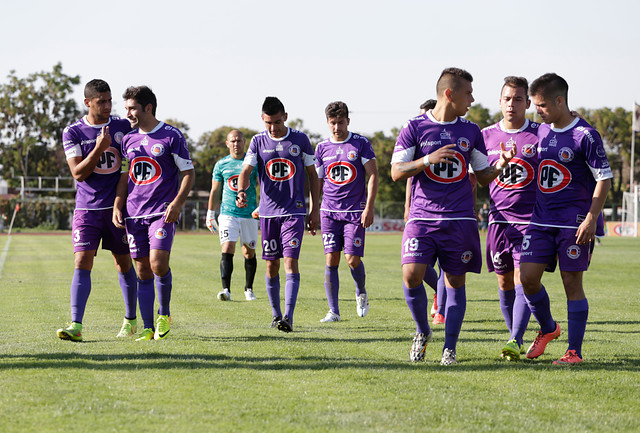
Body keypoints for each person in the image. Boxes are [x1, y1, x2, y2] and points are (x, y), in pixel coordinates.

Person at [391, 67, 516, 365]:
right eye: (468, 93)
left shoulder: (470, 131)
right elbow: (396, 172)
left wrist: (502, 164)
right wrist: (426, 160)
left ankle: (450, 348)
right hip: (422, 218)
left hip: (459, 220)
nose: (472, 99)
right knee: (411, 276)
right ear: (450, 94)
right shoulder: (414, 127)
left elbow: (483, 176)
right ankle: (423, 332)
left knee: (455, 282)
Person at [520, 73, 612, 364]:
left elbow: (604, 179)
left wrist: (590, 219)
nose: (538, 111)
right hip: (540, 221)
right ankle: (549, 329)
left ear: (560, 101)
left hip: (573, 225)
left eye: (542, 105)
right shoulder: (542, 131)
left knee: (571, 283)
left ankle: (574, 351)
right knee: (528, 279)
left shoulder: (586, 135)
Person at [57, 79, 138, 342]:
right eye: (101, 101)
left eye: (109, 100)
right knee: (81, 261)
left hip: (117, 208)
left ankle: (130, 321)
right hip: (87, 209)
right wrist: (99, 148)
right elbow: (78, 173)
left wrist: (120, 202)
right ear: (87, 102)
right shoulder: (73, 132)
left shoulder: (121, 127)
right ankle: (76, 325)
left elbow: (126, 169)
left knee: (123, 263)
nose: (107, 105)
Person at [113, 85, 195, 341]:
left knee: (158, 265)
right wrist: (118, 204)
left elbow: (188, 173)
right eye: (126, 108)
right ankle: (147, 328)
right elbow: (125, 176)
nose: (128, 113)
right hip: (134, 214)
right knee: (142, 272)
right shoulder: (128, 139)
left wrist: (178, 203)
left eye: (132, 108)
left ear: (148, 107)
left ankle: (164, 314)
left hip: (162, 212)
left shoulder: (171, 135)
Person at [236, 97, 320, 333]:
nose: (272, 128)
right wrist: (241, 191)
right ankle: (275, 316)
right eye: (267, 123)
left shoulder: (300, 139)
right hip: (268, 214)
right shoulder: (257, 141)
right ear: (263, 120)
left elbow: (313, 176)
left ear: (285, 116)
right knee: (271, 265)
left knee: (291, 263)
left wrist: (314, 209)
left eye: (276, 121)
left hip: (294, 211)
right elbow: (246, 170)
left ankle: (288, 317)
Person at [480, 76, 540, 360]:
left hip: (531, 221)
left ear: (527, 103)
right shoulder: (485, 135)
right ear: (499, 102)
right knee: (504, 282)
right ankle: (513, 336)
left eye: (518, 99)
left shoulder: (542, 134)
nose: (512, 104)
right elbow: (476, 177)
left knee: (521, 278)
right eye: (507, 99)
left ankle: (515, 339)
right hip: (498, 220)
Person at [314, 101, 379, 322]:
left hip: (354, 212)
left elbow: (373, 175)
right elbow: (318, 182)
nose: (336, 127)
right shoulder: (321, 148)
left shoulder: (360, 143)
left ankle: (360, 291)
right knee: (331, 259)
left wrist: (369, 207)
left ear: (348, 121)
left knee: (351, 259)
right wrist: (314, 210)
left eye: (341, 122)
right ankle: (333, 311)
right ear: (327, 123)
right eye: (332, 123)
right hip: (329, 212)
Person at [206, 130, 259, 302]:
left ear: (245, 142)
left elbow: (263, 185)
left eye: (239, 141)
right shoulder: (221, 164)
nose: (236, 144)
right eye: (233, 141)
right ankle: (226, 290)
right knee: (227, 248)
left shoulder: (253, 163)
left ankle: (248, 289)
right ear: (227, 144)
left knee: (248, 252)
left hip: (249, 214)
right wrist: (210, 213)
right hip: (228, 213)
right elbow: (215, 190)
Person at [405, 98, 445, 325]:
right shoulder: (416, 136)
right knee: (417, 262)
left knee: (446, 265)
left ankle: (441, 307)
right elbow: (407, 175)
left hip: (449, 212)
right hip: (421, 212)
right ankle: (440, 292)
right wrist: (407, 205)